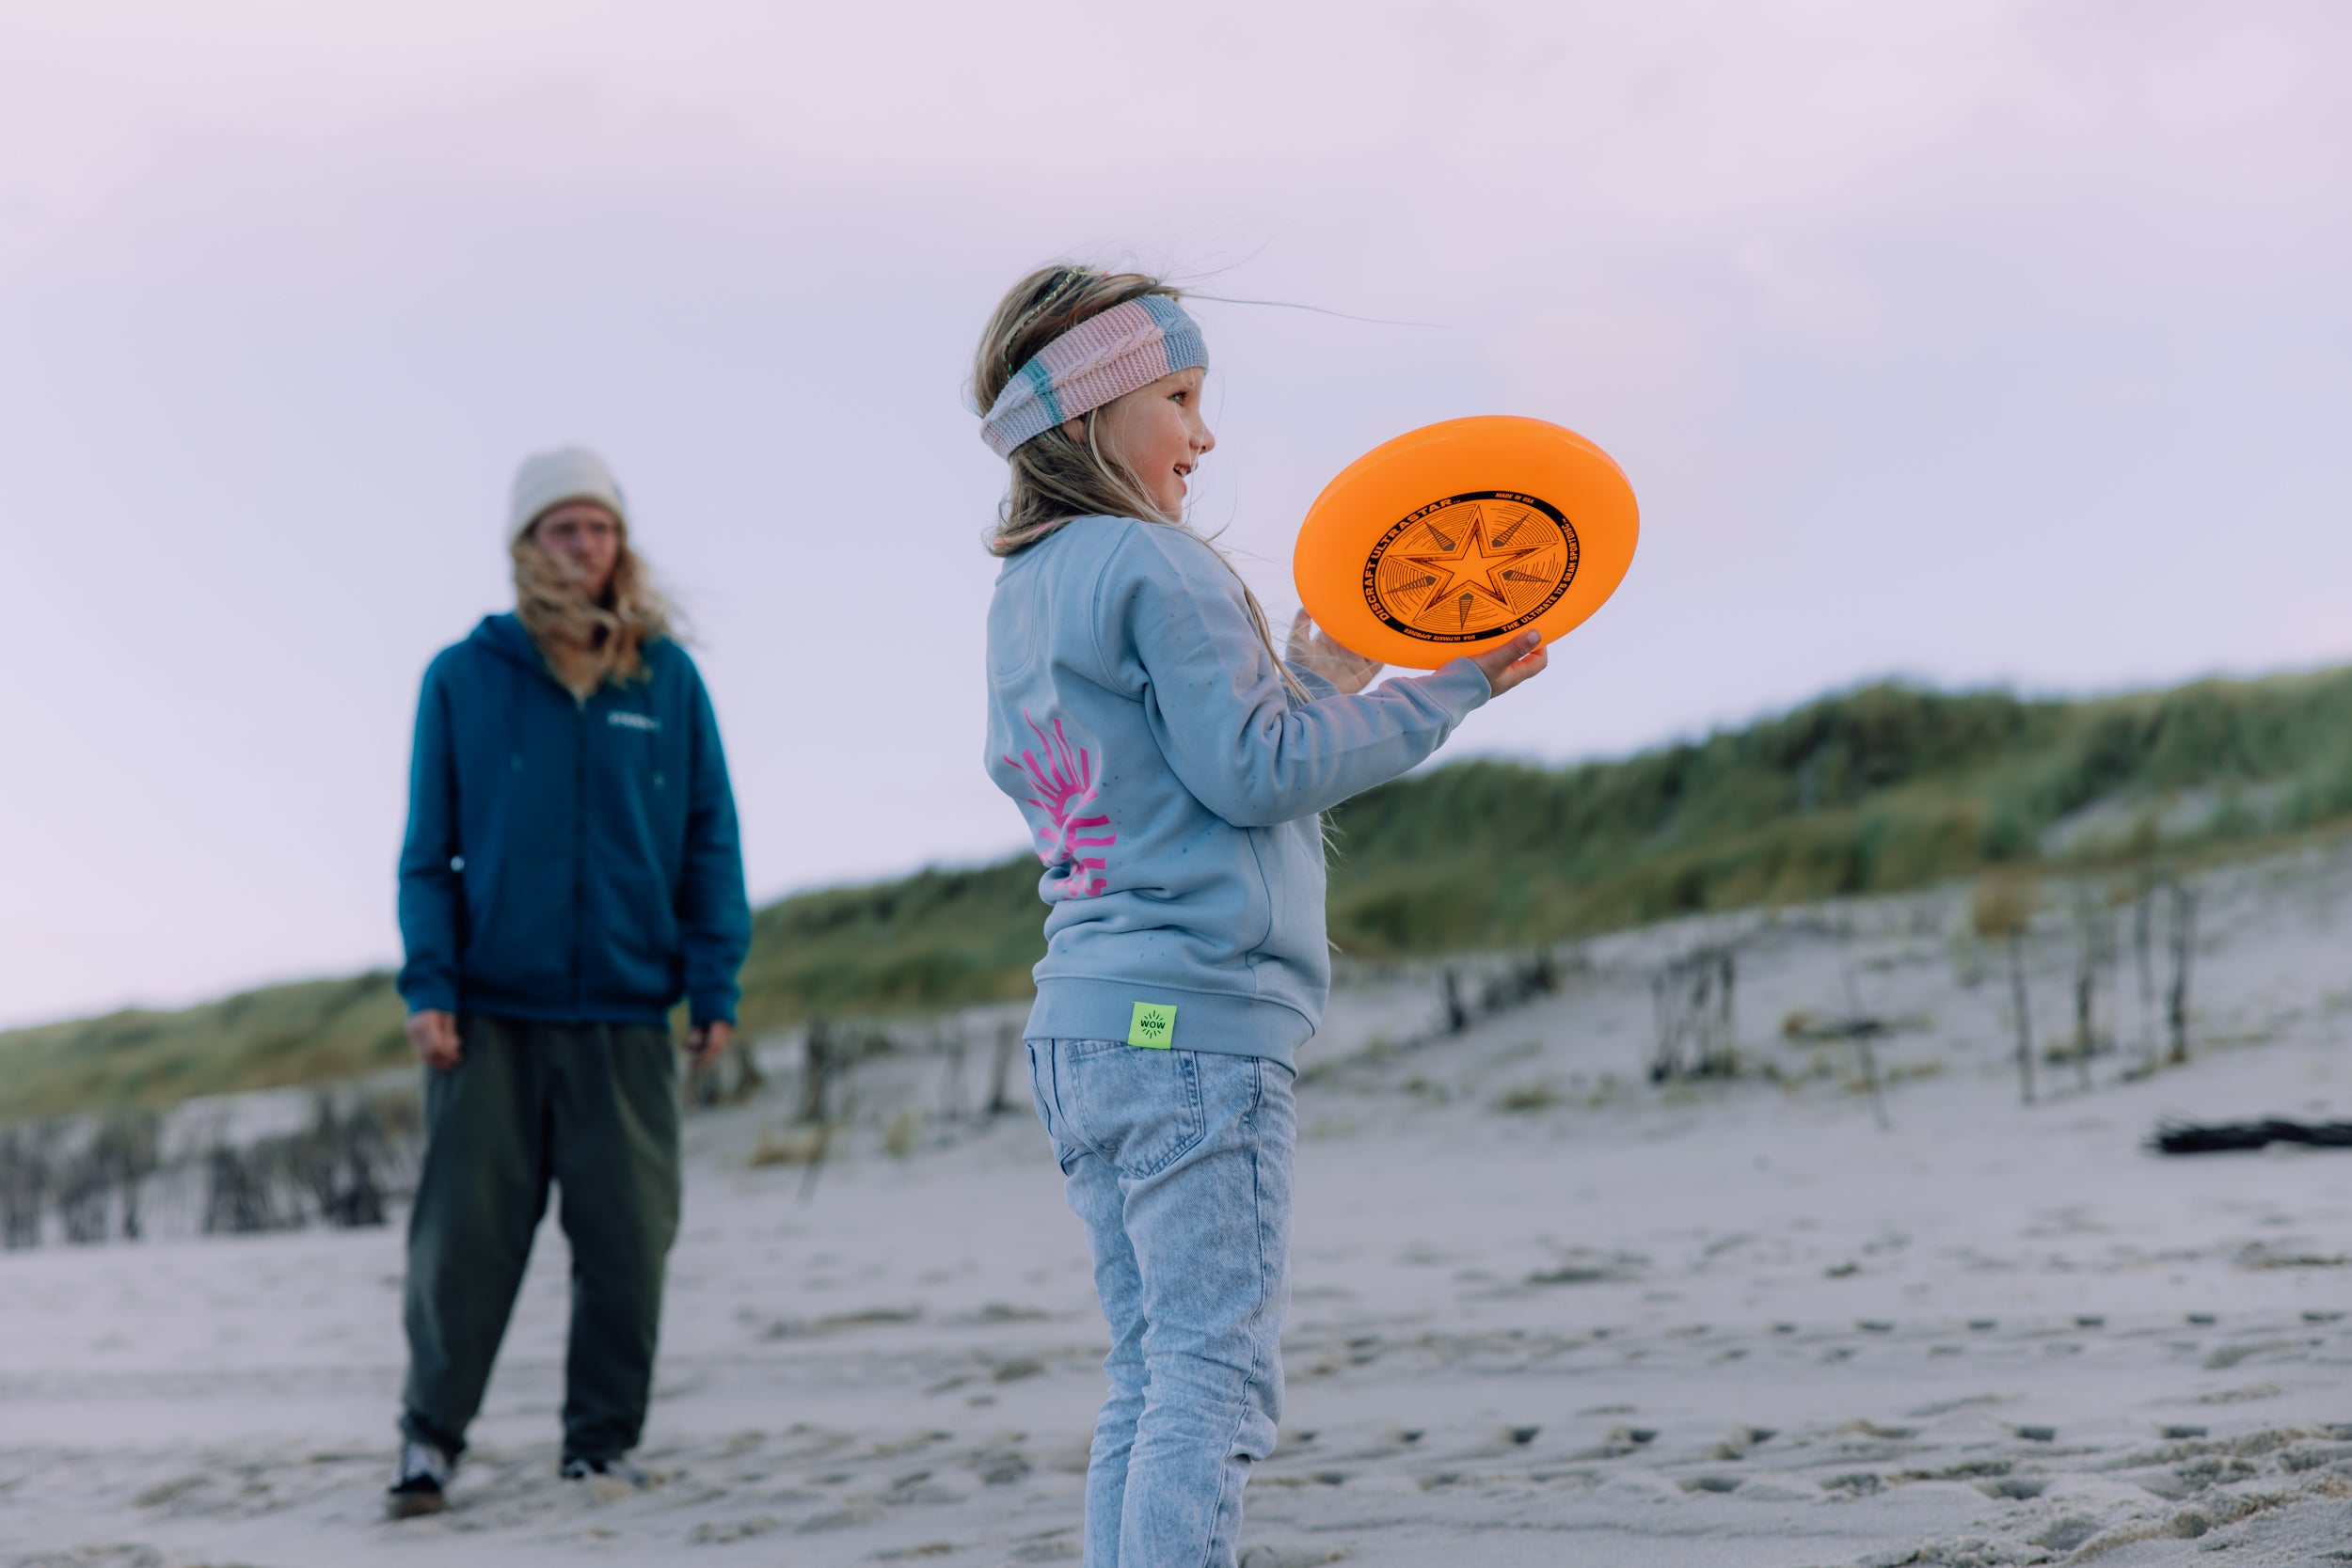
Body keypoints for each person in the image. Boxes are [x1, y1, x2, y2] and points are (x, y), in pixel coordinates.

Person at [974, 268, 1549, 1567]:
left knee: (1150, 1371)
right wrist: (1445, 689)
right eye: (1179, 397)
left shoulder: (1031, 587)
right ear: (1092, 415)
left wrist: (1318, 676)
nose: (1203, 433)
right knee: (1213, 1381)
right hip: (1194, 1032)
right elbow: (1257, 773)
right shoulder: (1161, 564)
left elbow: (1178, 768)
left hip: (1084, 1024)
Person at [387, 447, 751, 1517]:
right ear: (525, 545)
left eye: (599, 527)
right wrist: (428, 983)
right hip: (490, 1014)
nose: (585, 546)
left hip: (630, 1012)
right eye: (563, 528)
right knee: (463, 1246)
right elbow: (428, 852)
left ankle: (599, 1444)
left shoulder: (666, 677)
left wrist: (713, 981)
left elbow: (708, 839)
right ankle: (428, 1442)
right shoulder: (462, 676)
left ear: (618, 542)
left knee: (629, 1244)